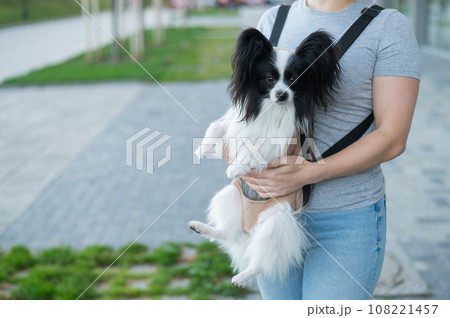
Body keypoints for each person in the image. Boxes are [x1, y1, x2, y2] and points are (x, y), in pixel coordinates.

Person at [241, 0, 421, 299]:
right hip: (273, 213)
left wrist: (309, 173)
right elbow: (246, 109)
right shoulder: (274, 19)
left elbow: (392, 137)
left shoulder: (388, 27)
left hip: (345, 220)